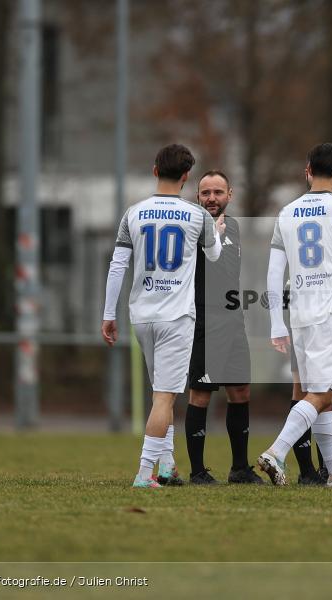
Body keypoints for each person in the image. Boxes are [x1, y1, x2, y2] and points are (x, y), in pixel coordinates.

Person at [102, 144, 225, 488]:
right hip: (176, 317)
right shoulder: (197, 215)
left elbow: (118, 265)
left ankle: (168, 467)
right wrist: (217, 232)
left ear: (155, 171)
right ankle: (145, 474)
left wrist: (109, 313)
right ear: (186, 176)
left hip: (142, 316)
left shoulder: (134, 213)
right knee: (165, 397)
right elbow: (215, 256)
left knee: (161, 391)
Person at [258, 142, 332, 487]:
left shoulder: (286, 212)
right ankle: (276, 451)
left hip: (299, 314)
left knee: (319, 393)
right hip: (331, 314)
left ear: (307, 171)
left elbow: (273, 272)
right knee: (323, 394)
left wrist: (276, 324)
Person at [185, 170, 262, 485]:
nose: (212, 198)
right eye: (206, 193)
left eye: (218, 192)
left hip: (233, 318)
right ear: (197, 196)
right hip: (205, 318)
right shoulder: (192, 227)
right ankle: (197, 471)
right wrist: (211, 237)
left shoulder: (235, 226)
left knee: (240, 390)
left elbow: (230, 270)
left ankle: (240, 468)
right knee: (201, 392)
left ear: (230, 194)